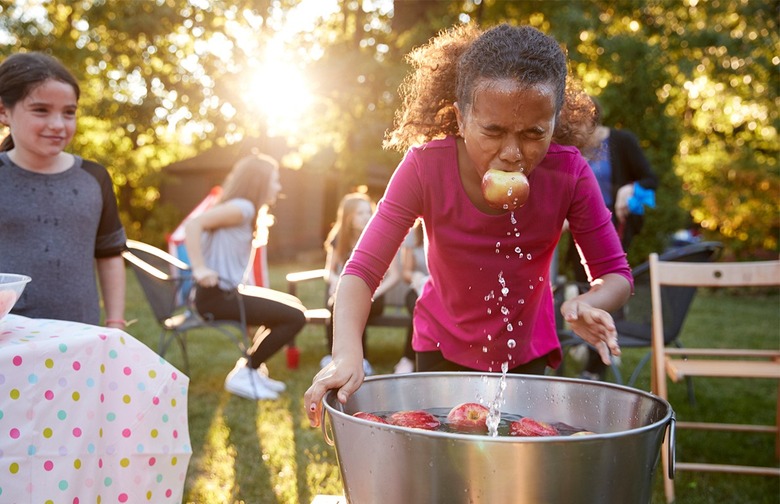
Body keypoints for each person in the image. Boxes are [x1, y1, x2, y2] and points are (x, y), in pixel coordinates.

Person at [304, 23, 633, 426]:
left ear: (553, 121)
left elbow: (615, 274)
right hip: (439, 351)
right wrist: (346, 353)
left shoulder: (570, 174)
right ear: (461, 119)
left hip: (527, 355)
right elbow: (360, 271)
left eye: (533, 133)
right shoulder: (425, 168)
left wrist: (587, 303)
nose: (512, 154)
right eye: (492, 131)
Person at [0, 52, 127, 329]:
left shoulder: (94, 178)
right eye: (41, 110)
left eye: (69, 112)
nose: (58, 125)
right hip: (6, 340)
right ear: (3, 112)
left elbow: (109, 254)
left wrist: (116, 322)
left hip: (80, 337)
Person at [185, 153, 307, 401]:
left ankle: (250, 370)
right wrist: (199, 268)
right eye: (275, 180)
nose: (278, 186)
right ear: (259, 182)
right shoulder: (243, 207)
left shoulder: (247, 210)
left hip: (228, 293)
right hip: (215, 297)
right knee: (295, 317)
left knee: (292, 307)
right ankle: (247, 371)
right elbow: (193, 225)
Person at [564, 97, 659, 380]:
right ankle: (588, 354)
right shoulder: (573, 149)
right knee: (584, 291)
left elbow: (650, 179)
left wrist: (629, 189)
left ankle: (595, 368)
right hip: (579, 232)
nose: (577, 134)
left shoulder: (622, 141)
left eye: (582, 126)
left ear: (594, 119)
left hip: (615, 230)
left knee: (606, 290)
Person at [320, 192, 402, 375]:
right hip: (345, 294)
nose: (366, 216)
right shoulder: (338, 238)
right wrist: (337, 283)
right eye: (360, 213)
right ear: (348, 217)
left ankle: (361, 359)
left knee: (355, 304)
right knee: (337, 302)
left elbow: (395, 276)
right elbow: (329, 271)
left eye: (368, 211)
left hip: (375, 296)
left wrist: (372, 293)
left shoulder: (382, 237)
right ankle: (333, 357)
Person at [394, 220, 428, 374]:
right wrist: (416, 276)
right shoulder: (414, 236)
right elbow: (406, 272)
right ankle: (408, 358)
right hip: (418, 288)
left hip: (442, 290)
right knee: (419, 307)